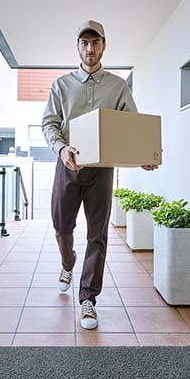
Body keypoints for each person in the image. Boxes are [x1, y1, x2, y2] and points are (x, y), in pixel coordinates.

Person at [41, 20, 158, 330]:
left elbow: (131, 127)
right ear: (78, 47)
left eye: (95, 42)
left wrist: (143, 156)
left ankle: (88, 298)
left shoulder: (117, 86)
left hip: (102, 171)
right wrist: (62, 150)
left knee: (98, 234)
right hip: (67, 166)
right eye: (84, 43)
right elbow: (49, 124)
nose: (90, 48)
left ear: (104, 46)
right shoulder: (61, 85)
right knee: (61, 225)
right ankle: (68, 262)